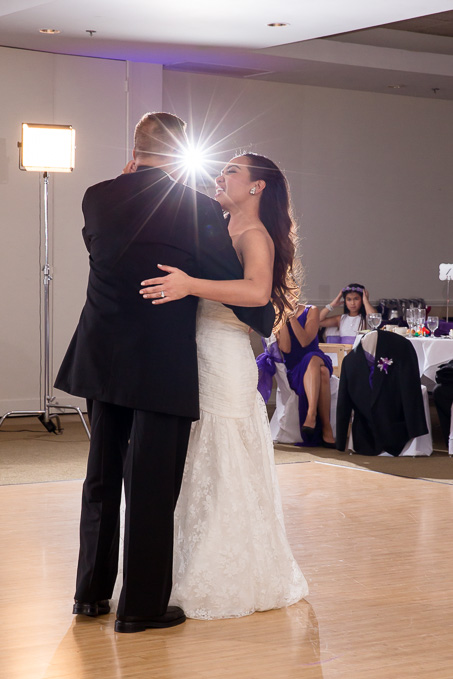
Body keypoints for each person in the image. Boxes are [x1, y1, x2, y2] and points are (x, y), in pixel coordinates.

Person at [54, 113, 274, 633]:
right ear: (179, 155)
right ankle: (141, 607)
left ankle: (89, 595)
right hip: (162, 363)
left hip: (103, 355)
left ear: (135, 149)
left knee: (102, 479)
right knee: (151, 487)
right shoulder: (196, 208)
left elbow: (104, 249)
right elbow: (229, 278)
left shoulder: (96, 196)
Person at [139, 152, 309, 619]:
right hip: (195, 349)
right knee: (197, 457)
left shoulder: (254, 235)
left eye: (232, 171)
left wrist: (190, 284)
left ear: (257, 187)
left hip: (225, 355)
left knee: (222, 453)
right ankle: (179, 563)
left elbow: (256, 293)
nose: (220, 176)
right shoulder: (221, 228)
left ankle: (225, 571)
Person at [276, 304, 335, 448]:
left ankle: (311, 414)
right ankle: (327, 429)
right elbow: (286, 348)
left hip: (316, 357)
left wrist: (292, 317)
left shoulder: (311, 310)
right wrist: (284, 318)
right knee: (323, 373)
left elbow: (305, 341)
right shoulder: (277, 315)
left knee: (312, 359)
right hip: (295, 366)